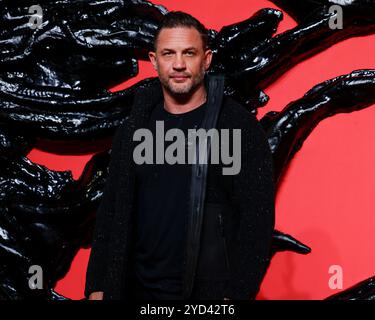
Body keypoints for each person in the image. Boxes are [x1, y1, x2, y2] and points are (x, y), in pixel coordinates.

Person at [85, 11, 275, 300]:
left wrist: (236, 294)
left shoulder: (239, 127)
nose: (178, 64)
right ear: (154, 61)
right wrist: (98, 287)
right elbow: (112, 211)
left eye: (189, 53)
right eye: (168, 53)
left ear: (207, 59)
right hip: (136, 293)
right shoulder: (134, 129)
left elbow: (256, 220)